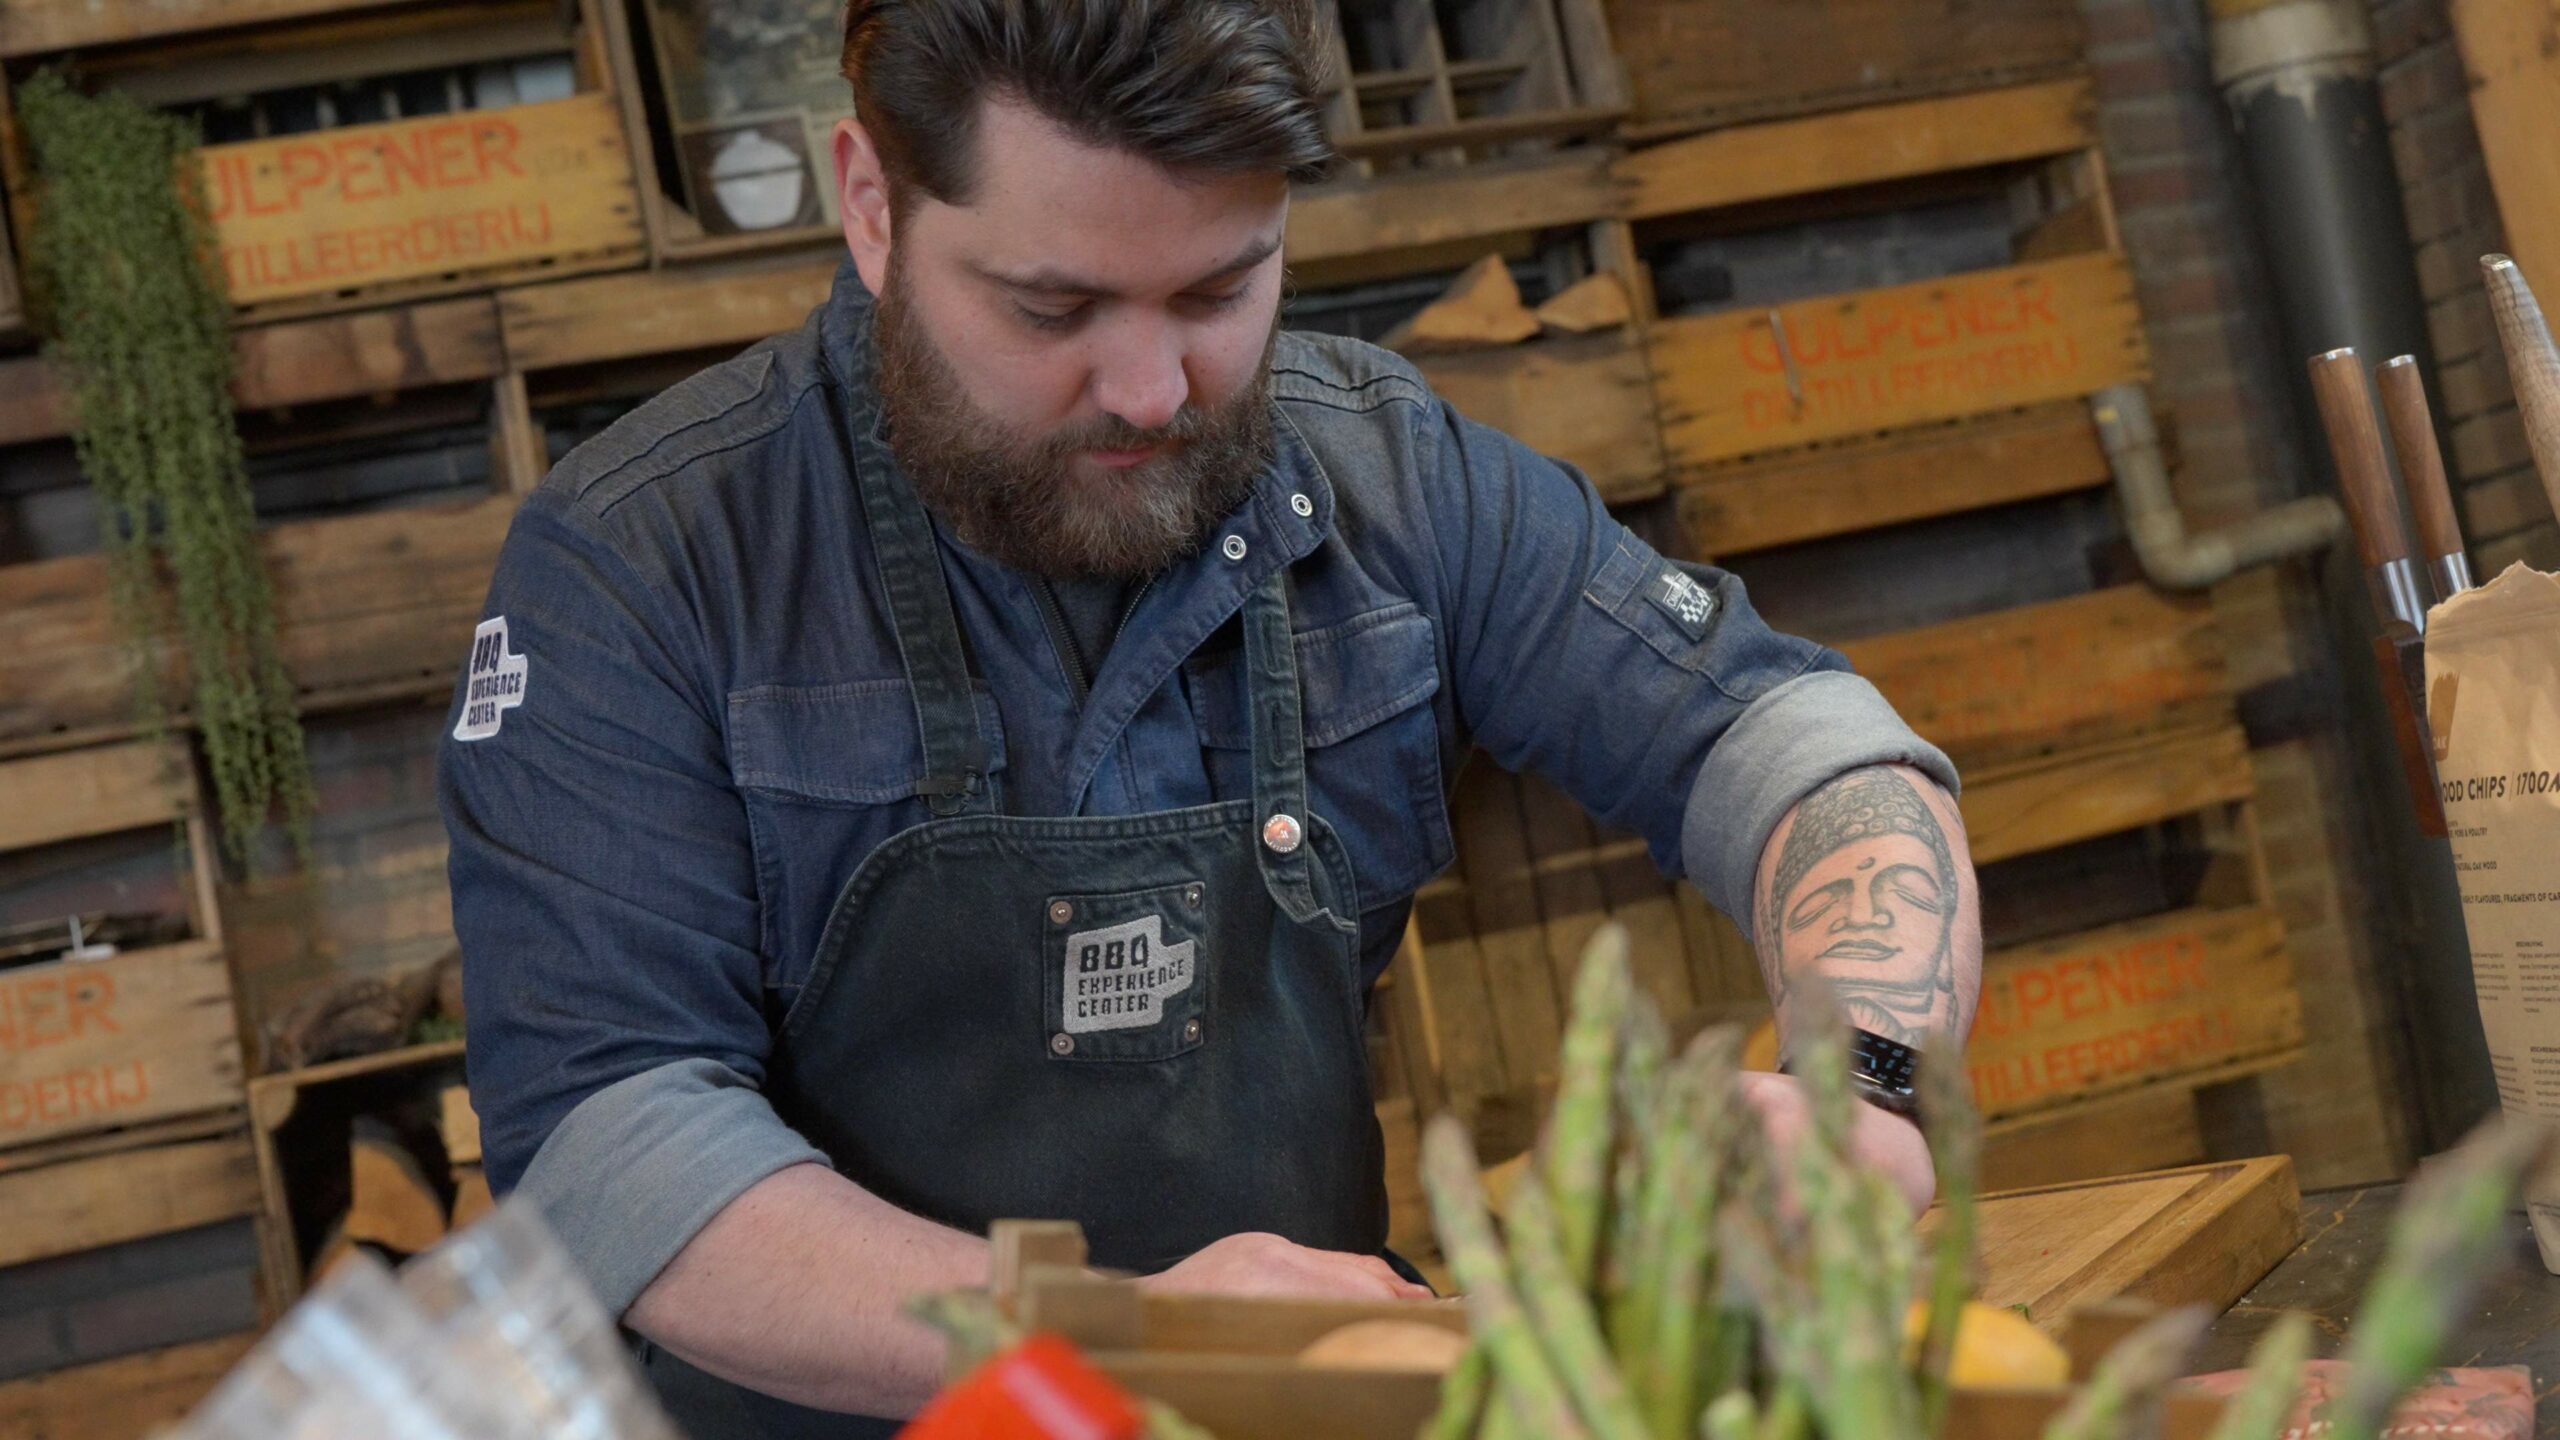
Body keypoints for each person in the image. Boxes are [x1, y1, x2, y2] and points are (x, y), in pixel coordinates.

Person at [437, 2, 1982, 1434]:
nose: (1153, 386)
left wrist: (1872, 1087)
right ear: (871, 204)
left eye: (1220, 290)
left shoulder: (1387, 473)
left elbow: (1789, 747)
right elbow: (609, 1145)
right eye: (1053, 306)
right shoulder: (645, 563)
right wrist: (1117, 1334)